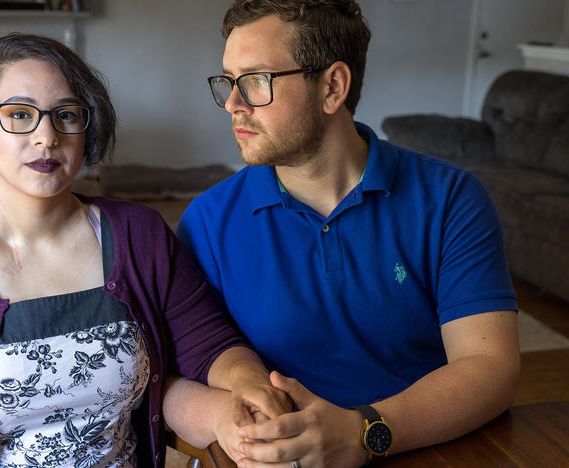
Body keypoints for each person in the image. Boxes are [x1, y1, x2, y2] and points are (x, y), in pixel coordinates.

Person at [0, 33, 289, 468]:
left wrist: (246, 386)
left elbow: (210, 344)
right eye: (19, 114)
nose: (46, 137)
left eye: (66, 115)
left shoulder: (138, 233)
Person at [174, 1, 521, 467]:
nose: (234, 104)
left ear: (332, 87)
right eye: (229, 81)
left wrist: (364, 431)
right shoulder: (208, 221)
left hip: (431, 448)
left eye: (256, 81)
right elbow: (181, 374)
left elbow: (491, 368)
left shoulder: (451, 199)